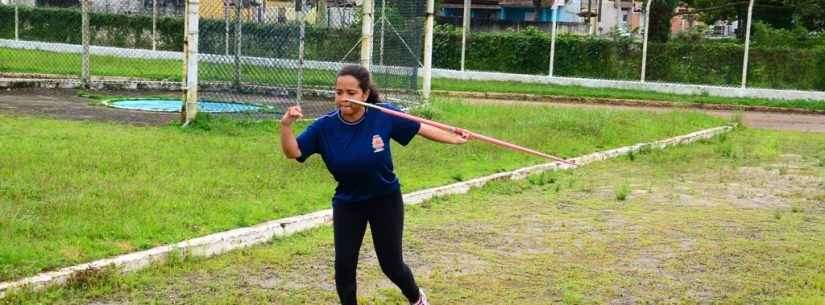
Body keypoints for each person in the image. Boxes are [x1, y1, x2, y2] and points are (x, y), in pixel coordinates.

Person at [279, 65, 470, 305]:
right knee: (344, 265)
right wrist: (286, 126)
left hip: (385, 200)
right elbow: (293, 151)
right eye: (339, 92)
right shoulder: (324, 127)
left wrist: (454, 137)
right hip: (348, 203)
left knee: (391, 265)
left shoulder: (383, 114)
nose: (343, 98)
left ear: (365, 94)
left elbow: (422, 128)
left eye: (351, 93)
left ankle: (417, 298)